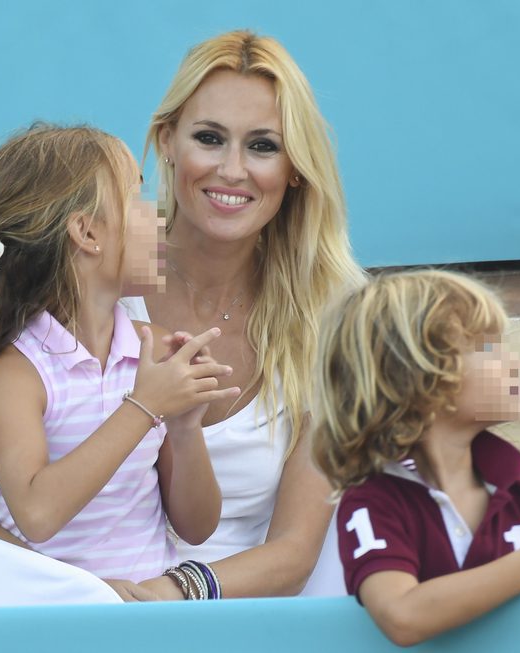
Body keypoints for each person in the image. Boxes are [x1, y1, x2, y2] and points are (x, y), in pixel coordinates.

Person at [118, 29, 366, 599]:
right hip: (79, 600)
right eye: (209, 137)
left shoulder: (331, 309)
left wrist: (169, 594)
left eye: (262, 146)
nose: (232, 170)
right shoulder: (97, 261)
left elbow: (294, 554)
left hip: (239, 611)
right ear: (167, 142)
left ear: (296, 167)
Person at [0, 124, 235, 586]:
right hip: (51, 622)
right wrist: (145, 407)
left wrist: (186, 429)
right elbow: (37, 513)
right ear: (87, 232)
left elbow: (197, 527)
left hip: (146, 618)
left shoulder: (149, 346)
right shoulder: (19, 370)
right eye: (137, 196)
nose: (158, 215)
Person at [310, 270, 520, 647]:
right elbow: (402, 616)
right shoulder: (374, 502)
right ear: (418, 377)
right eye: (489, 348)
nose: (514, 362)